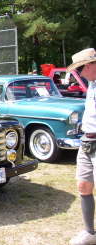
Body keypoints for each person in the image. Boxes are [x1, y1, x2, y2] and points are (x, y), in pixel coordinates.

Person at [67, 48, 96, 245]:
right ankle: (90, 233)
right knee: (83, 185)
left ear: (89, 65)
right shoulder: (92, 84)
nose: (79, 73)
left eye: (80, 68)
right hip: (87, 141)